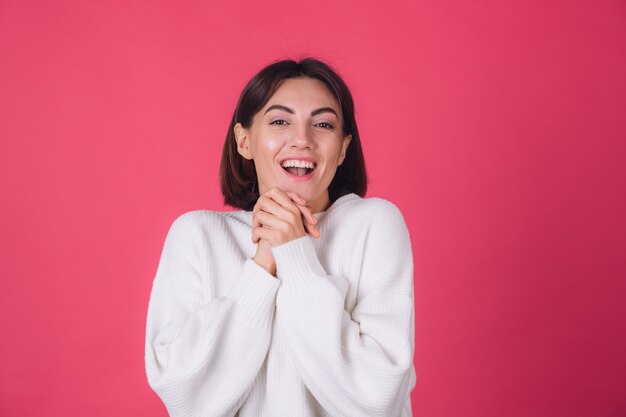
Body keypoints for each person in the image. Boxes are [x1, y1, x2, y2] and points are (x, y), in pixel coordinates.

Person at [144, 57, 417, 417]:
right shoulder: (197, 236)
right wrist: (262, 265)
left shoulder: (374, 224)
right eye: (279, 121)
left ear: (343, 148)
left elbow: (375, 398)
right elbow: (187, 400)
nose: (302, 139)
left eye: (323, 124)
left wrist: (295, 254)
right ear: (244, 140)